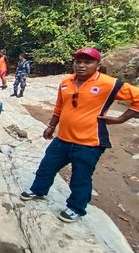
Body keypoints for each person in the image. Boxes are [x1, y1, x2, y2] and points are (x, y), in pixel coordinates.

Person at [20, 47, 139, 223]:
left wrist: (120, 119)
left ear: (97, 65)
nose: (81, 65)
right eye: (78, 61)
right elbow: (60, 106)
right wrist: (51, 126)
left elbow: (137, 97)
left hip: (89, 142)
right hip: (63, 139)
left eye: (87, 62)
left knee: (80, 177)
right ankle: (38, 190)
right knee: (46, 166)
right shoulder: (66, 82)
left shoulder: (108, 83)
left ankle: (76, 208)